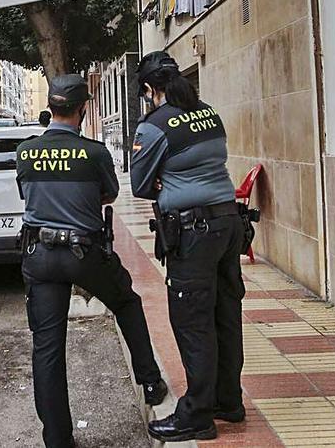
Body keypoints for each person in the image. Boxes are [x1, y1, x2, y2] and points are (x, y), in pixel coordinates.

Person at [18, 74, 169, 448]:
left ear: (50, 109)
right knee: (127, 303)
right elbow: (109, 194)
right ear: (83, 110)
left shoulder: (25, 151)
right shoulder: (95, 152)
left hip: (39, 255)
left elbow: (27, 193)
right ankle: (150, 381)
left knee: (48, 347)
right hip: (85, 253)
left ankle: (58, 439)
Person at [130, 51, 245, 443]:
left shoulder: (154, 127)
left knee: (192, 321)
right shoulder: (209, 112)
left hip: (193, 233)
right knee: (225, 312)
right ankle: (228, 400)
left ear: (149, 90)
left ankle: (197, 414)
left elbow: (141, 185)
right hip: (229, 222)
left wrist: (165, 178)